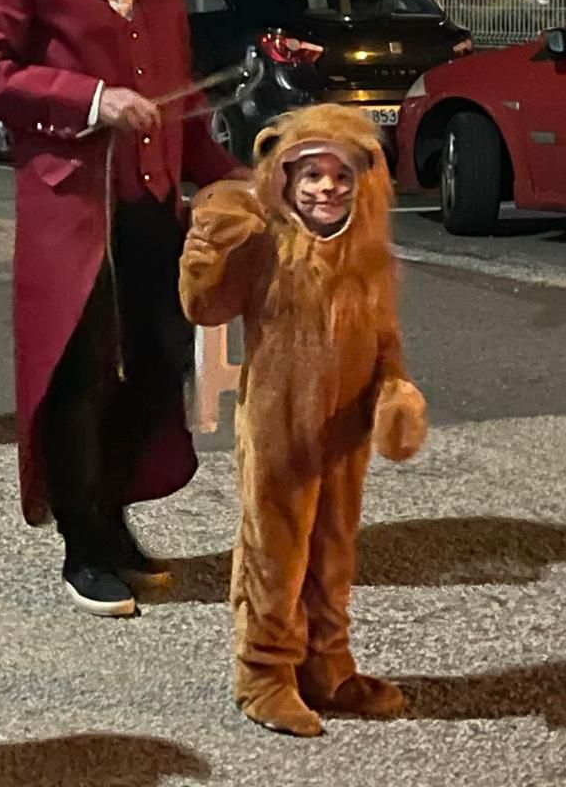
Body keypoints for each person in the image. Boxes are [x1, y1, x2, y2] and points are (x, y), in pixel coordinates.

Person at [0, 0, 241, 619]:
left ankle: (111, 512)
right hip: (70, 201)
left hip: (152, 197)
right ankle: (85, 544)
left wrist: (228, 179)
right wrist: (87, 98)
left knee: (160, 357)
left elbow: (173, 78)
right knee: (77, 372)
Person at [179, 105, 428, 736]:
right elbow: (205, 308)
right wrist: (205, 248)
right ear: (284, 179)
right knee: (275, 551)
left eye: (340, 177)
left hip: (346, 433)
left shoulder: (369, 256)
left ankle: (328, 667)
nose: (325, 189)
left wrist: (396, 392)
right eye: (310, 176)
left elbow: (384, 338)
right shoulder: (266, 242)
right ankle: (264, 673)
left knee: (335, 548)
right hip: (278, 427)